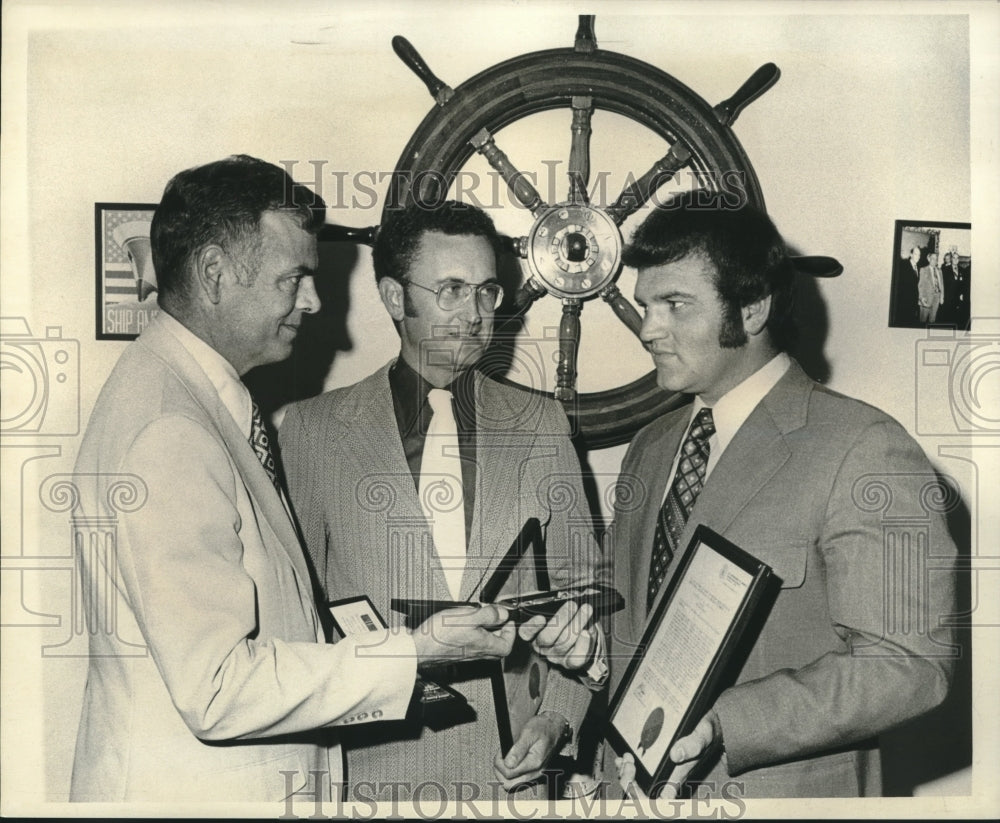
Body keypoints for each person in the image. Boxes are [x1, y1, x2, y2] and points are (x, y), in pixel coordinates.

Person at [70, 157, 519, 803]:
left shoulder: (183, 392)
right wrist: (413, 651)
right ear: (216, 274)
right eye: (295, 277)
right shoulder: (171, 428)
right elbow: (218, 687)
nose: (313, 300)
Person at [607, 193, 956, 798]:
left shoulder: (865, 448)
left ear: (751, 308)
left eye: (674, 305)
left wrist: (726, 724)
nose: (646, 329)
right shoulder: (651, 446)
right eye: (645, 305)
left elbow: (909, 665)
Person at [280, 201, 605, 801]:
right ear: (394, 297)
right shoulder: (311, 431)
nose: (475, 314)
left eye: (487, 291)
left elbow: (586, 597)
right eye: (451, 290)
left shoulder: (541, 423)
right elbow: (294, 624)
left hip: (517, 783)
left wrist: (557, 721)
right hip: (374, 782)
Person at [891, 245, 922, 326]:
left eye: (919, 255)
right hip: (904, 302)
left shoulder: (918, 267)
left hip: (913, 302)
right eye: (916, 254)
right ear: (911, 255)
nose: (918, 257)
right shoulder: (903, 265)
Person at [918, 251, 944, 324]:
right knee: (923, 320)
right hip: (926, 298)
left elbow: (941, 284)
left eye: (936, 259)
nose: (935, 261)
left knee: (932, 320)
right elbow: (920, 285)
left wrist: (942, 297)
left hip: (937, 298)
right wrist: (921, 298)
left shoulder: (939, 271)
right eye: (933, 258)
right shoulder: (923, 270)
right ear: (929, 259)